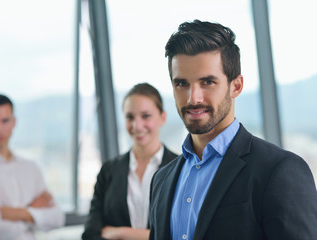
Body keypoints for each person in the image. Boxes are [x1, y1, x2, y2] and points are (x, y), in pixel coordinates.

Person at [148, 20, 317, 240]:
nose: (193, 98)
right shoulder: (161, 180)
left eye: (207, 82)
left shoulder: (280, 171)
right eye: (182, 84)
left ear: (235, 86)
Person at [0, 94, 65, 240]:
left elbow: (58, 218)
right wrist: (33, 212)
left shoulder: (30, 168)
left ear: (14, 122)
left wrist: (17, 213)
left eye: (5, 121)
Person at [82, 83, 177, 240]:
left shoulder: (181, 168)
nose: (137, 126)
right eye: (130, 117)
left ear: (162, 117)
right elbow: (91, 234)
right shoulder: (109, 171)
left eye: (146, 116)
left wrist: (120, 233)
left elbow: (182, 234)